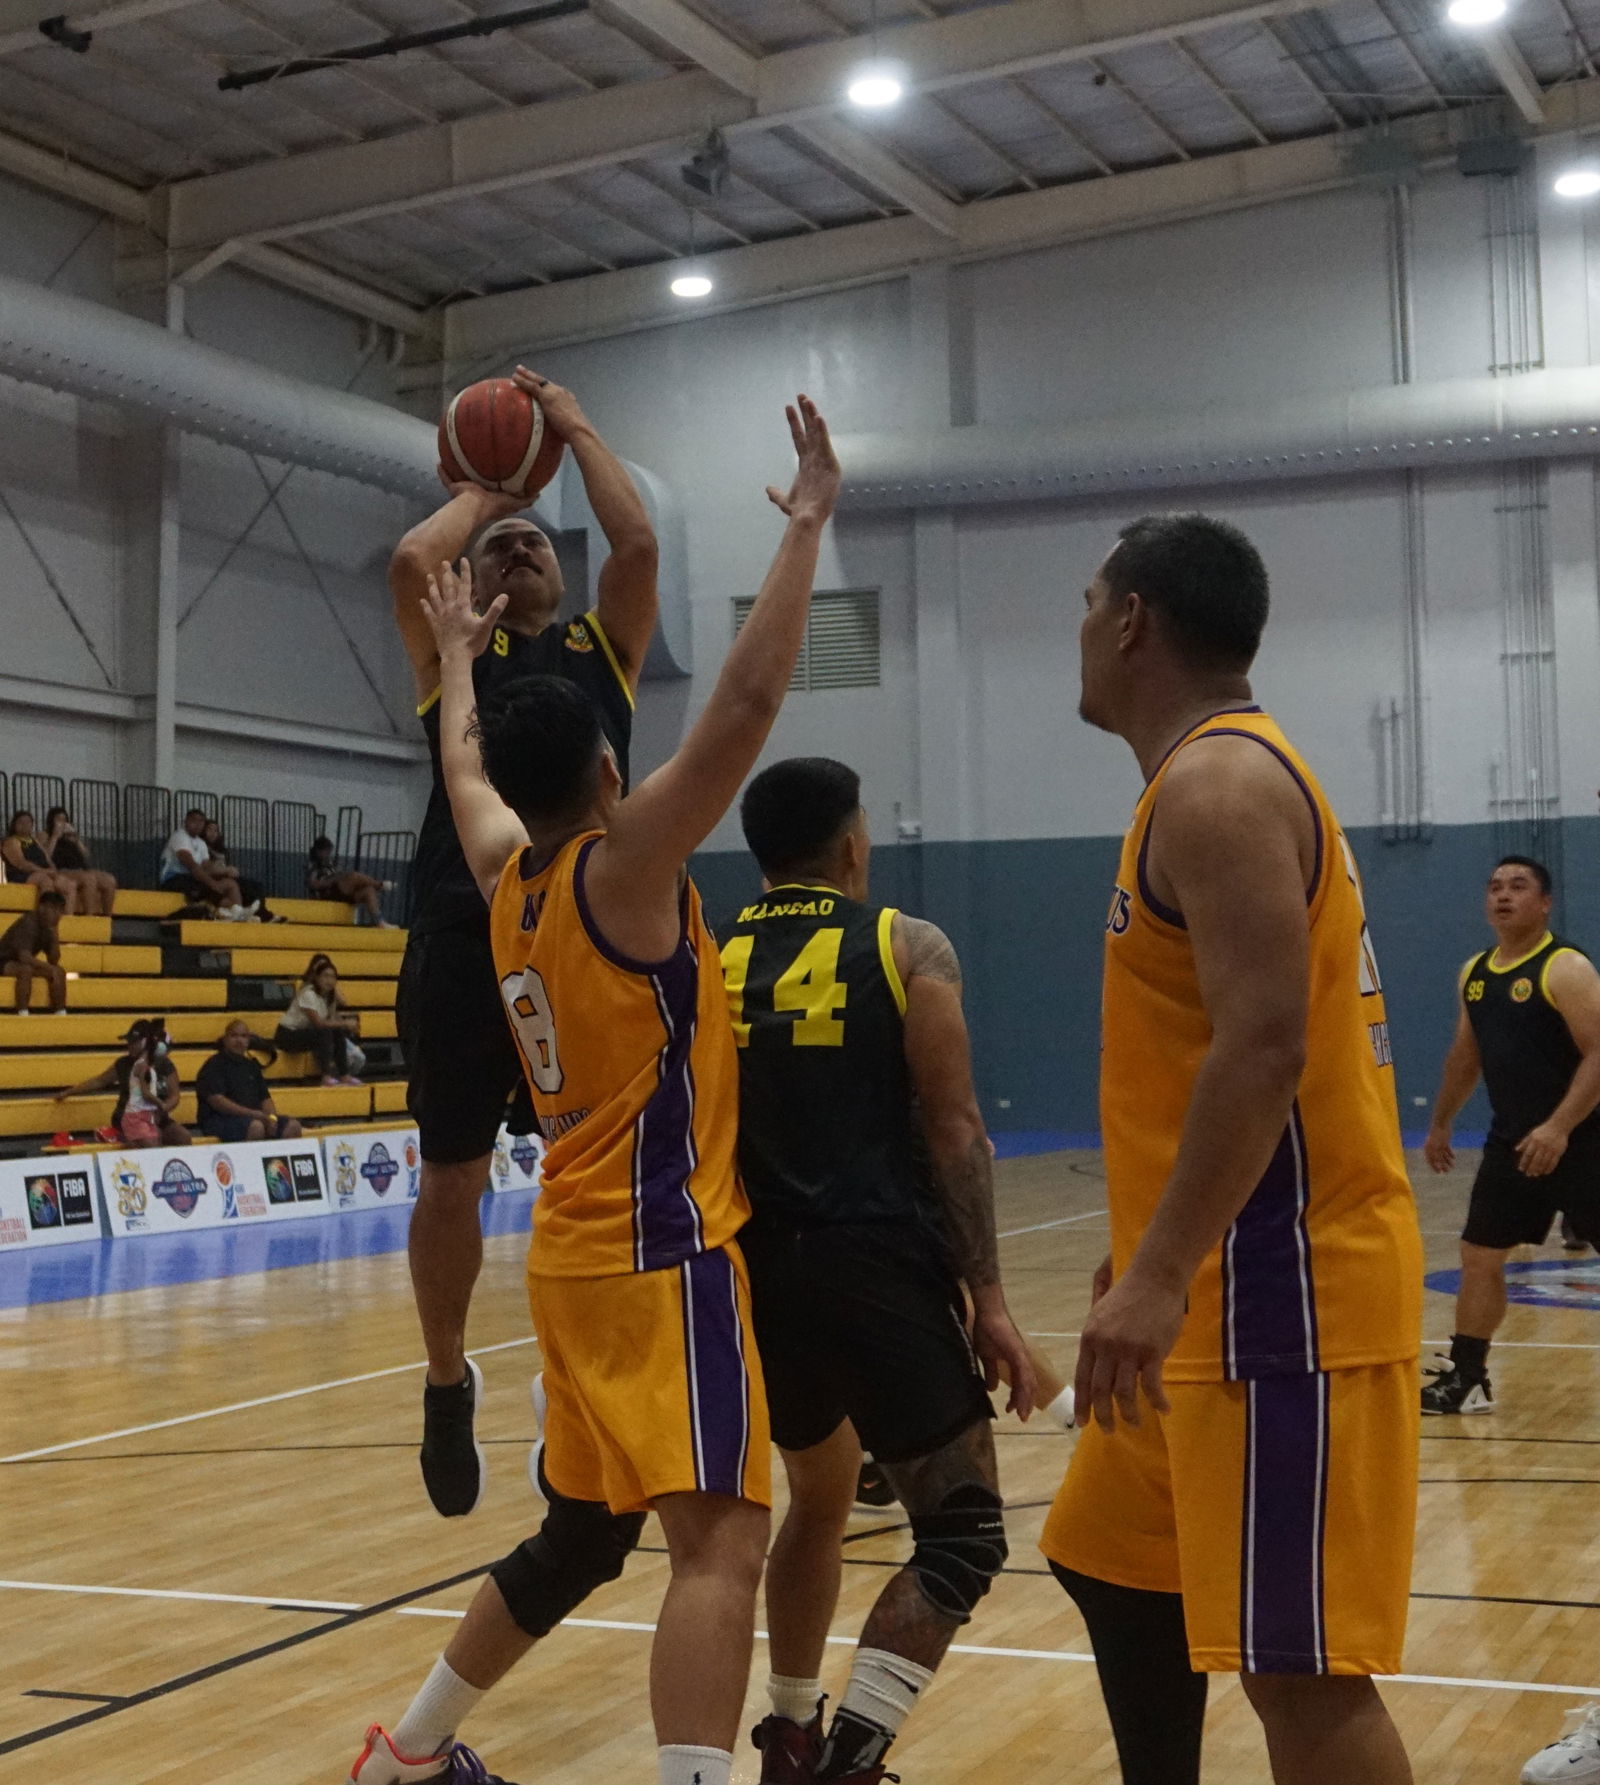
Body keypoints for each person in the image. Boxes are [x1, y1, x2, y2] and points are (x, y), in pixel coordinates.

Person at [345, 395, 838, 1785]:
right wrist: (802, 527)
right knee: (723, 1542)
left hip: (568, 1253)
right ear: (612, 772)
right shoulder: (626, 878)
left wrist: (451, 658)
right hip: (663, 1250)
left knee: (581, 1536)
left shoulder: (506, 876)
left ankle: (412, 1752)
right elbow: (743, 705)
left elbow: (459, 765)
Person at [1039, 514, 1423, 1785]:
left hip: (1279, 1300)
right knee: (1104, 1558)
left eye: (1091, 603)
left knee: (1302, 1680)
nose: (1083, 629)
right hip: (1206, 1292)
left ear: (1134, 620)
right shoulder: (1206, 781)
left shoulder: (1216, 787)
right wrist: (1141, 1257)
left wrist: (1159, 1274)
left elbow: (1262, 1049)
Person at [720, 756, 1040, 1785]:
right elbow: (953, 1131)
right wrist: (987, 1299)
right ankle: (849, 1761)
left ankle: (790, 1730)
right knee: (963, 1537)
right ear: (854, 845)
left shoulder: (705, 955)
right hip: (870, 1264)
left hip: (749, 1277)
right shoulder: (906, 945)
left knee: (816, 1500)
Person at [390, 366, 658, 1519]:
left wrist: (576, 432)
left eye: (538, 543)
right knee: (450, 1176)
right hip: (464, 930)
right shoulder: (450, 654)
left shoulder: (603, 652)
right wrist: (489, 485)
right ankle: (447, 1379)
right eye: (500, 545)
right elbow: (413, 564)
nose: (518, 550)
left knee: (603, 1176)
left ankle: (589, 1382)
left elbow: (636, 543)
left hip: (588, 937)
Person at [1420, 857, 1600, 1416]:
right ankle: (1468, 1378)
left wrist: (1560, 1126)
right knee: (1479, 1254)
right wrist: (1442, 1120)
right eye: (1495, 886)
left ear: (1544, 903)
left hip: (1586, 1139)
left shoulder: (1565, 968)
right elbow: (1465, 1056)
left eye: (1518, 887)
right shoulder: (1475, 971)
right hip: (1514, 1143)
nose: (1503, 895)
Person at [57, 1018, 190, 1147]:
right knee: (154, 1139)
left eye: (133, 1042)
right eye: (129, 1042)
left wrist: (163, 1109)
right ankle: (125, 1140)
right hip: (130, 1115)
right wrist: (69, 1092)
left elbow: (174, 1095)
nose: (129, 1046)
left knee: (183, 1137)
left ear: (145, 1042)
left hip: (156, 1116)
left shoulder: (165, 1065)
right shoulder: (124, 1064)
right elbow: (100, 1081)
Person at [195, 1019, 303, 1142]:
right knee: (256, 1127)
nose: (239, 1040)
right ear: (225, 1039)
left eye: (243, 1036)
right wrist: (253, 1114)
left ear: (248, 1041)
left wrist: (272, 1118)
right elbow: (218, 1102)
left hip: (253, 1118)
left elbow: (265, 1098)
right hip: (219, 1119)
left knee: (293, 1127)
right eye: (234, 1035)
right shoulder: (213, 1065)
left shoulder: (251, 1066)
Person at [275, 954, 365, 1086]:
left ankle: (345, 1075)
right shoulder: (308, 993)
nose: (329, 980)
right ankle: (326, 1077)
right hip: (287, 1035)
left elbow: (334, 1016)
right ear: (316, 978)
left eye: (333, 977)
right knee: (325, 1031)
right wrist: (345, 1023)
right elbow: (318, 1023)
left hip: (306, 1034)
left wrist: (344, 1024)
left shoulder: (327, 997)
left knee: (336, 1031)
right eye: (325, 976)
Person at [160, 809, 250, 918]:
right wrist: (213, 883)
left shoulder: (201, 843)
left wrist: (225, 871)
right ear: (186, 822)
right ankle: (234, 912)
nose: (198, 825)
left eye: (201, 822)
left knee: (231, 884)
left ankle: (235, 913)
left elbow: (206, 867)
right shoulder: (179, 836)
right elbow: (192, 866)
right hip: (174, 880)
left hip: (192, 879)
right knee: (218, 887)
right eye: (194, 821)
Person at [0, 889, 68, 1015]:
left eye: (60, 910)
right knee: (26, 970)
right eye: (54, 909)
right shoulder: (29, 922)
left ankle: (61, 1013)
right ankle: (23, 1014)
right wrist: (49, 968)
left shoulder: (48, 926)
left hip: (20, 962)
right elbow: (24, 957)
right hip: (4, 961)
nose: (58, 914)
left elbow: (53, 960)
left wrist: (54, 936)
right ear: (42, 908)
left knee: (59, 971)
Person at [201, 821, 283, 924]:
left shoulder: (222, 850)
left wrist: (231, 871)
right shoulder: (202, 847)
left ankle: (261, 912)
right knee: (246, 887)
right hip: (216, 879)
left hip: (226, 876)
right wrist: (225, 870)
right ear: (204, 830)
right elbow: (207, 868)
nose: (213, 833)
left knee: (257, 886)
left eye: (215, 830)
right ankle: (259, 914)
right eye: (209, 829)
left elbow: (226, 865)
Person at [41, 807, 116, 916]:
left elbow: (86, 855)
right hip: (62, 869)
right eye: (59, 819)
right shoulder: (45, 835)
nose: (62, 823)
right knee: (89, 879)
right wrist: (55, 836)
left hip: (80, 869)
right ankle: (90, 917)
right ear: (51, 820)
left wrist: (76, 839)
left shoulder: (70, 837)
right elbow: (45, 856)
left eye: (64, 819)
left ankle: (107, 916)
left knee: (110, 880)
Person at [306, 836, 394, 926]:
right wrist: (335, 878)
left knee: (369, 891)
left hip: (340, 893)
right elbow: (314, 885)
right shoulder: (313, 865)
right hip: (327, 894)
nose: (328, 854)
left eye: (329, 852)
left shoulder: (330, 864)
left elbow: (338, 875)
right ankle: (379, 885)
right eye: (326, 851)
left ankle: (379, 921)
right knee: (354, 876)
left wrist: (340, 875)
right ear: (318, 851)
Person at [2, 810, 78, 912]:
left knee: (69, 885)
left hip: (43, 872)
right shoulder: (11, 841)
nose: (25, 824)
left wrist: (53, 871)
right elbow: (21, 864)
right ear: (14, 824)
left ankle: (68, 920)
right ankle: (44, 917)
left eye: (28, 822)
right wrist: (44, 871)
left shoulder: (35, 841)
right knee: (45, 881)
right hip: (21, 875)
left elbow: (47, 859)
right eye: (21, 822)